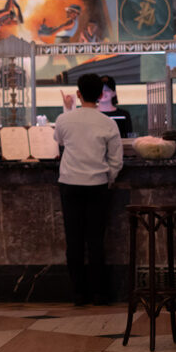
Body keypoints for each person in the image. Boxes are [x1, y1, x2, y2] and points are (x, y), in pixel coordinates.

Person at [54, 73, 124, 306]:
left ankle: (78, 295)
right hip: (97, 186)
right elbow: (116, 161)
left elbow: (60, 141)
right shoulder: (109, 123)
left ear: (78, 94)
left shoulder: (64, 120)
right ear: (101, 95)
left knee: (73, 241)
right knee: (95, 240)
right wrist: (109, 179)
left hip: (70, 184)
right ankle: (100, 294)